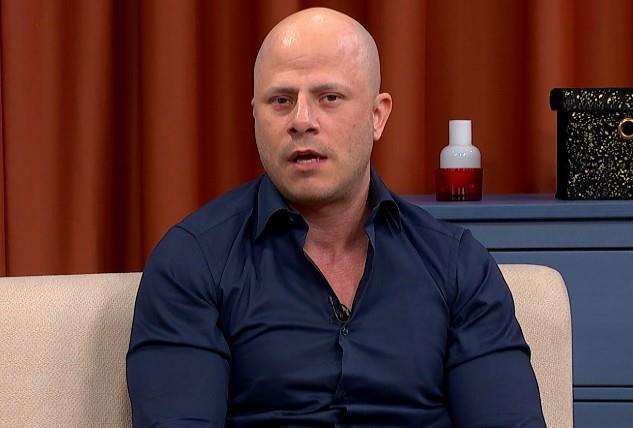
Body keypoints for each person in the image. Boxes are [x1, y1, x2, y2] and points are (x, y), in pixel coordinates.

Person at [127, 7, 545, 428]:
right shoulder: (194, 261)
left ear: (378, 116)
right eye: (281, 100)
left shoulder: (457, 265)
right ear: (254, 115)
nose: (301, 121)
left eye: (329, 97)